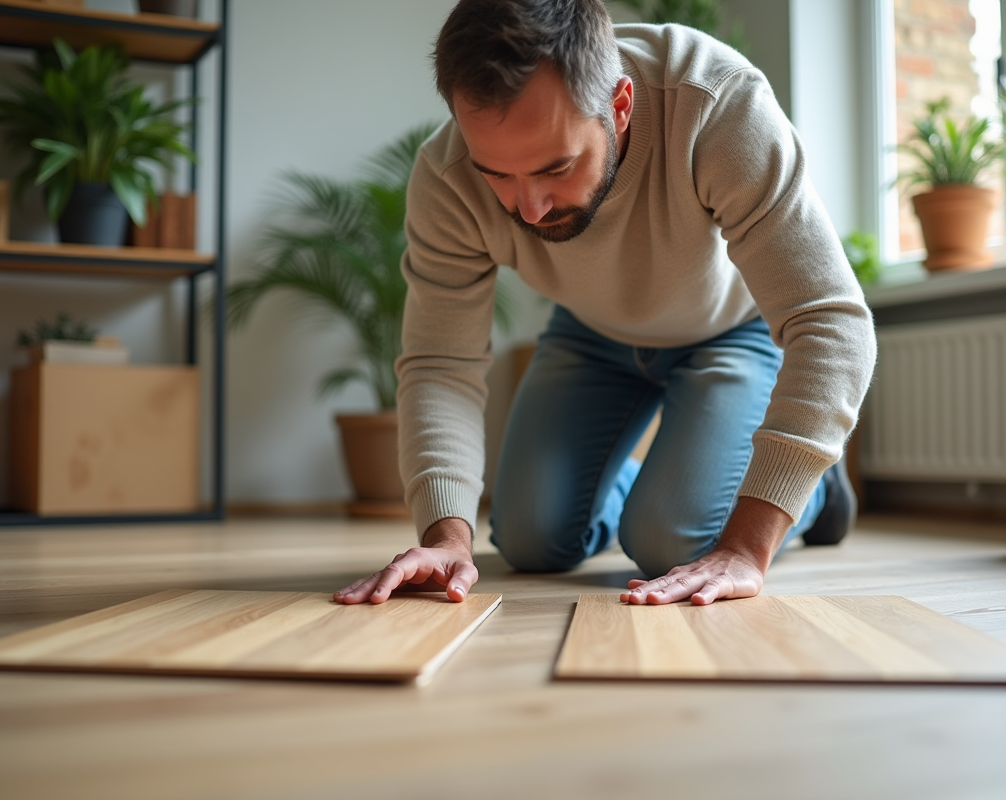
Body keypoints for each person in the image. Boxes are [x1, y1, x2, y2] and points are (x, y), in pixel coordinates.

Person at [335, 0, 876, 607]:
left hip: (728, 326)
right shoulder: (446, 177)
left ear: (619, 107)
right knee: (530, 540)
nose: (529, 208)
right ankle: (666, 488)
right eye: (497, 175)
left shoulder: (717, 105)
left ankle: (818, 492)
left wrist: (748, 546)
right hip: (590, 331)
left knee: (673, 541)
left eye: (556, 166)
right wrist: (447, 538)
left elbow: (831, 322)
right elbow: (439, 363)